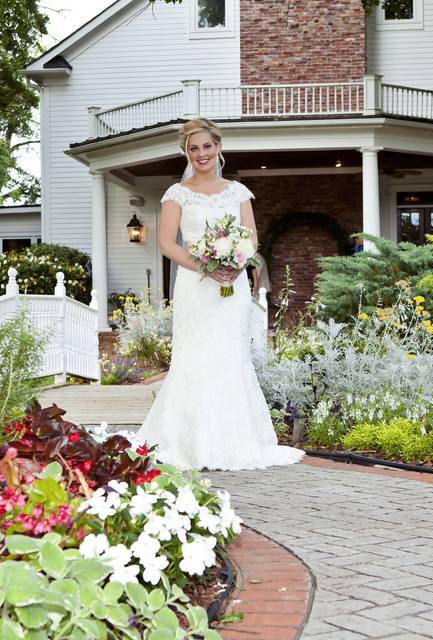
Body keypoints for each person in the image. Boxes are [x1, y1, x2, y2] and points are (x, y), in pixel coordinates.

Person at [136, 118, 304, 471]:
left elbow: (251, 236)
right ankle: (188, 443)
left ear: (218, 148)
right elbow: (168, 244)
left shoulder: (238, 193)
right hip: (195, 290)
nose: (201, 154)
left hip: (232, 286)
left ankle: (235, 441)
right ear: (186, 152)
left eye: (207, 146)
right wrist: (205, 267)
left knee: (231, 357)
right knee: (193, 359)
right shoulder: (176, 194)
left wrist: (236, 263)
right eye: (193, 148)